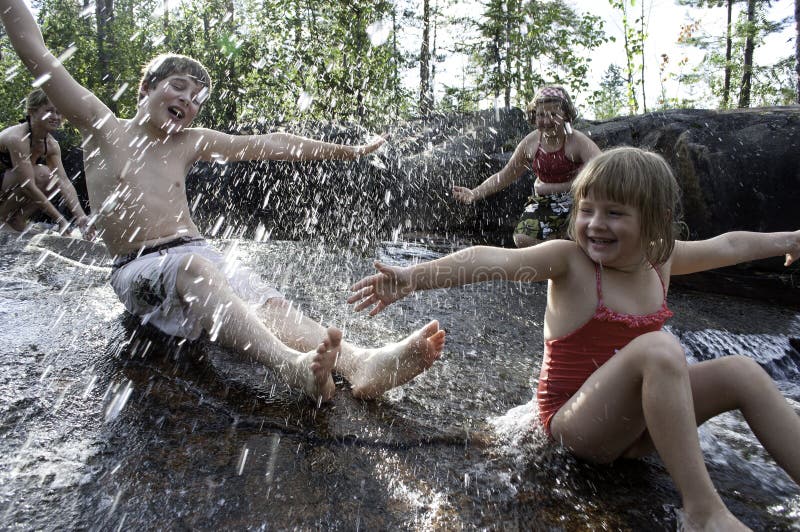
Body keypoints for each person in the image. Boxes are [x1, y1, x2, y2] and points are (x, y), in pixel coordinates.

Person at [0, 0, 445, 403]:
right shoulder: (101, 127)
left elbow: (271, 143)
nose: (187, 101)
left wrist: (348, 152)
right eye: (177, 87)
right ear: (146, 89)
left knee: (270, 305)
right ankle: (290, 367)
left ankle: (360, 362)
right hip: (137, 269)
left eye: (195, 98)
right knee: (196, 270)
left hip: (199, 253)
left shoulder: (189, 142)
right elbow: (36, 53)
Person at [350, 146, 800, 530]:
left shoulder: (659, 260)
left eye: (616, 213)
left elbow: (729, 247)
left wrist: (789, 239)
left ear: (656, 223)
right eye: (587, 209)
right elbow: (492, 260)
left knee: (742, 369)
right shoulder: (570, 262)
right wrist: (415, 277)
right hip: (573, 425)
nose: (595, 224)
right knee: (661, 348)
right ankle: (703, 511)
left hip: (637, 430)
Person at [452, 85, 600, 248]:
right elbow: (505, 175)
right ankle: (555, 255)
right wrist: (474, 193)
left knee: (580, 237)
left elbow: (603, 171)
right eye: (541, 115)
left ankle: (569, 253)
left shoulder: (577, 142)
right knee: (523, 238)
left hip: (577, 199)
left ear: (566, 115)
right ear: (533, 115)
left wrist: (563, 186)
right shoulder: (531, 143)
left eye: (553, 114)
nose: (546, 120)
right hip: (545, 202)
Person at [0, 88, 92, 236]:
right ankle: (2, 219)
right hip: (6, 184)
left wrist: (81, 216)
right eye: (50, 111)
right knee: (41, 174)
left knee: (50, 177)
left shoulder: (51, 145)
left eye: (59, 112)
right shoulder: (17, 138)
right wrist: (60, 220)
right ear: (32, 111)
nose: (56, 117)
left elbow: (63, 181)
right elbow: (27, 185)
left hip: (6, 185)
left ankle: (18, 219)